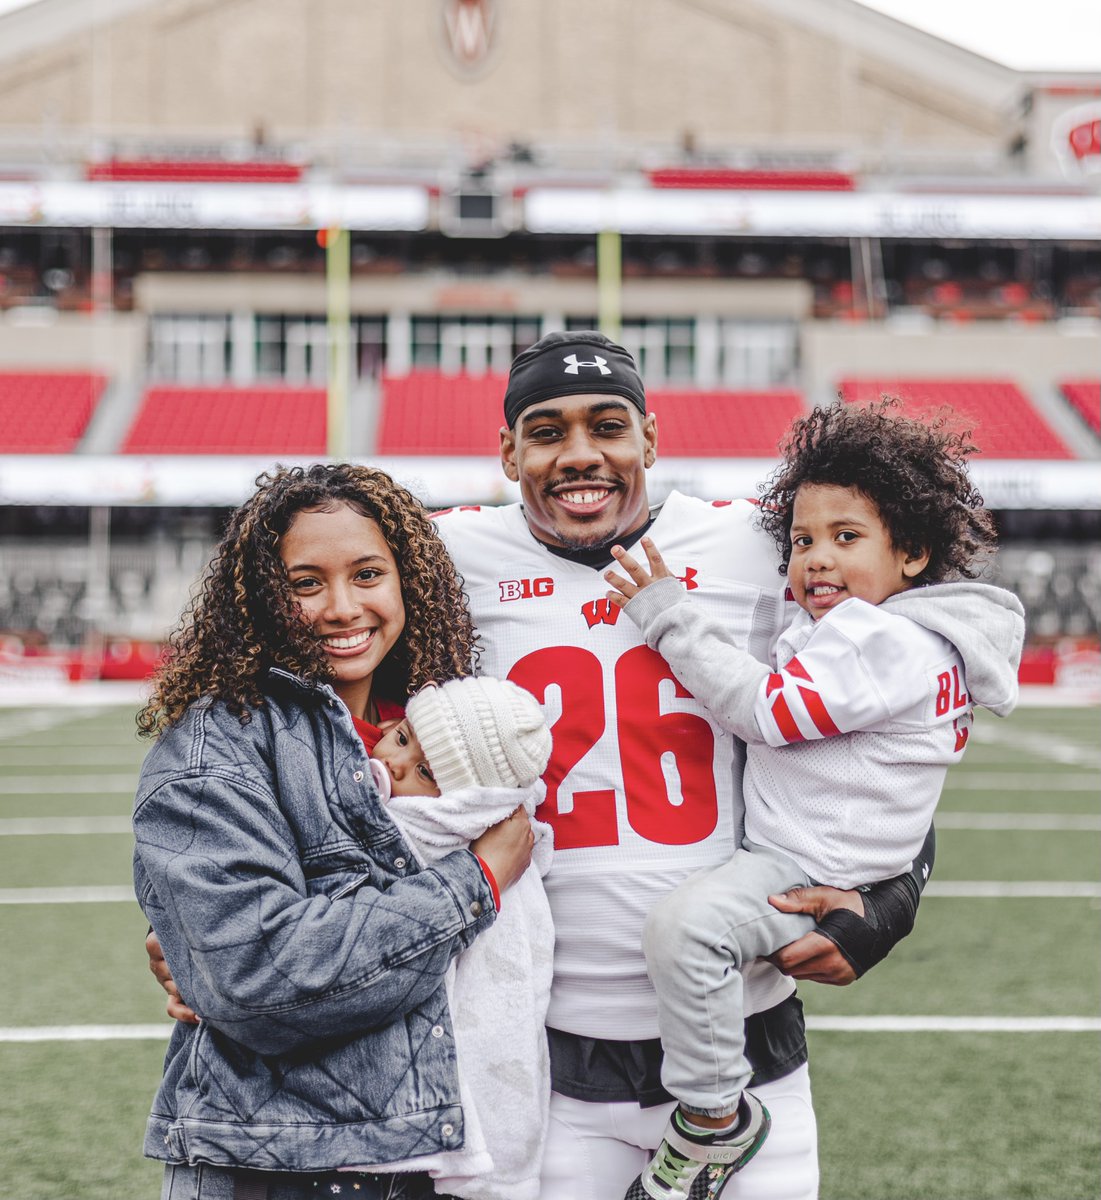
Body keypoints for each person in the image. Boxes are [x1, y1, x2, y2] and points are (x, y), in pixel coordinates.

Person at [149, 334, 937, 1200]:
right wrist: (197, 931)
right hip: (545, 1056)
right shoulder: (445, 561)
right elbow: (323, 716)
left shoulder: (760, 546)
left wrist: (895, 896)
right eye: (546, 431)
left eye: (607, 427)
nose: (580, 455)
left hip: (746, 1041)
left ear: (650, 438)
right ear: (506, 451)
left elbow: (889, 718)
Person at [604, 400, 1025, 1200]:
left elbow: (767, 712)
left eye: (845, 537)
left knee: (684, 932)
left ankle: (710, 1119)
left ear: (911, 554)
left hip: (807, 868)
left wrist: (668, 618)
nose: (815, 560)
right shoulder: (899, 630)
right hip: (840, 860)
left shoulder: (885, 638)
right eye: (801, 541)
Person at [133, 462, 536, 1200]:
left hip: (437, 1152)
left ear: (407, 582)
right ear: (260, 596)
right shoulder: (215, 744)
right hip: (281, 1163)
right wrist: (473, 883)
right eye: (305, 583)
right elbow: (260, 976)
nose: (342, 607)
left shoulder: (443, 737)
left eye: (367, 575)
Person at [367, 675, 556, 1200]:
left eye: (426, 772)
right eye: (401, 737)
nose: (395, 764)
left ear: (467, 802)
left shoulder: (432, 833)